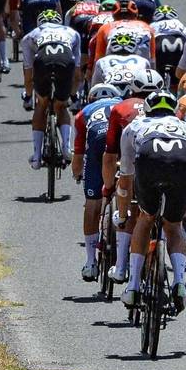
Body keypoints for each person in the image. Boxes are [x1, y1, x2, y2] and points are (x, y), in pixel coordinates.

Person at [117, 89, 186, 313]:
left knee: (145, 218)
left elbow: (125, 180)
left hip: (149, 159)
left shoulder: (134, 126)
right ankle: (180, 283)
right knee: (173, 226)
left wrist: (124, 215)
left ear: (147, 109)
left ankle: (133, 286)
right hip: (182, 161)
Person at [101, 67, 162, 283]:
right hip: (164, 165)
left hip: (133, 163)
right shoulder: (170, 108)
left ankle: (120, 265)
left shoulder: (120, 108)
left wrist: (108, 186)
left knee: (128, 210)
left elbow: (110, 153)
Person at [71, 82, 123, 281]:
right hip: (121, 138)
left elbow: (78, 153)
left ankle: (91, 262)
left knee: (92, 205)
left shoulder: (83, 113)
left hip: (96, 141)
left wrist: (77, 174)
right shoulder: (123, 104)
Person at [20, 10, 82, 170]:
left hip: (43, 60)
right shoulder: (72, 33)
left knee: (41, 105)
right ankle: (67, 148)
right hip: (65, 60)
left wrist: (28, 96)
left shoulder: (31, 35)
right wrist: (74, 95)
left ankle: (36, 157)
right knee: (61, 106)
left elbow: (28, 75)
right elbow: (77, 74)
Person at [150, 5, 186, 87]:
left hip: (160, 43)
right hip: (180, 43)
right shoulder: (180, 24)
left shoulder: (153, 24)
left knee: (155, 68)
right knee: (180, 72)